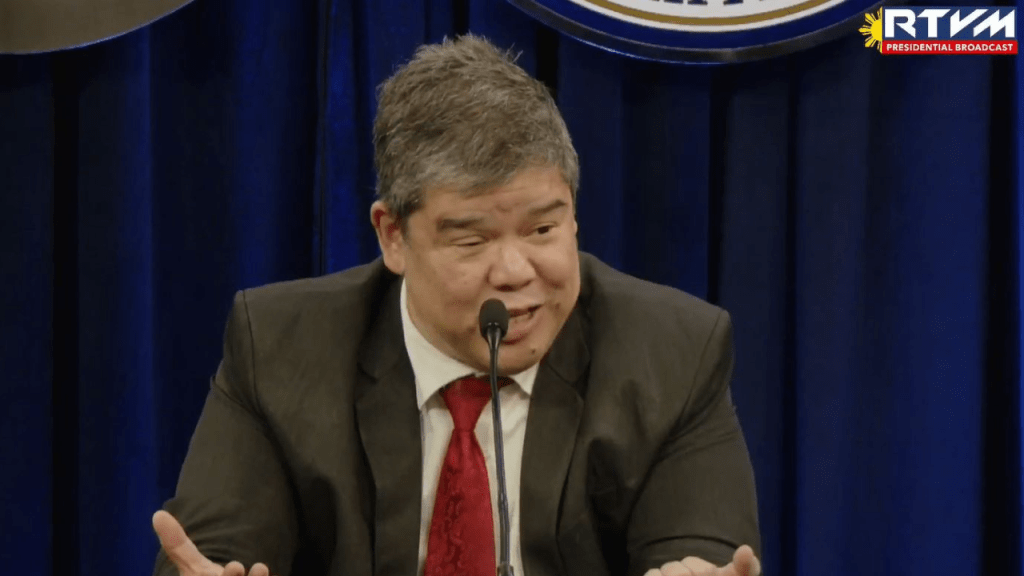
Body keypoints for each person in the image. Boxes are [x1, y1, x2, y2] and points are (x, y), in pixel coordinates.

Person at [151, 34, 762, 576]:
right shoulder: (280, 350)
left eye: (543, 230)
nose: (515, 272)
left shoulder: (673, 354)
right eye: (472, 241)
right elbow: (211, 554)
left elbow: (703, 551)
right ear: (393, 236)